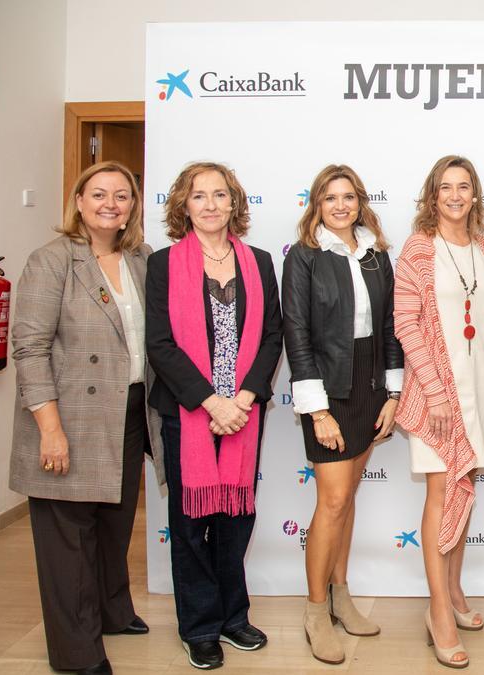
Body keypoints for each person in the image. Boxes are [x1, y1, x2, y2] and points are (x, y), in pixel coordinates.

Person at [10, 161, 158, 675]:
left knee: (114, 527)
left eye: (122, 196)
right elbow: (28, 348)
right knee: (68, 540)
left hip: (129, 410)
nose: (110, 204)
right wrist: (50, 428)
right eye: (99, 194)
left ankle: (113, 611)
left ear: (133, 206)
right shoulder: (52, 261)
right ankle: (76, 654)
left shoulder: (141, 257)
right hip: (70, 417)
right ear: (78, 201)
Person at [146, 161, 283, 670]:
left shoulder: (260, 261)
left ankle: (233, 616)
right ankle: (199, 627)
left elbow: (272, 336)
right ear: (184, 205)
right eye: (198, 196)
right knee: (189, 522)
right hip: (189, 411)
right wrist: (210, 402)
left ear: (234, 203)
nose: (210, 204)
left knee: (237, 517)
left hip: (244, 412)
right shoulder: (163, 264)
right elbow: (159, 343)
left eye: (219, 195)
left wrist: (244, 399)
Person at [394, 155, 484, 669]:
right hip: (437, 398)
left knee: (465, 490)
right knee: (441, 493)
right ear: (433, 195)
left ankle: (454, 590)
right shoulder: (418, 249)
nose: (454, 195)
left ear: (475, 195)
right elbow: (406, 324)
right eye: (445, 187)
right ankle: (439, 611)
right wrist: (436, 392)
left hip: (482, 388)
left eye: (463, 186)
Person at [282, 164, 403, 664]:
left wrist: (393, 394)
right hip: (328, 393)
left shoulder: (376, 254)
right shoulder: (305, 257)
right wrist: (316, 410)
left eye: (348, 196)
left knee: (347, 499)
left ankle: (340, 594)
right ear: (316, 203)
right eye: (329, 197)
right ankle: (315, 611)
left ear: (360, 201)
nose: (339, 205)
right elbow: (297, 333)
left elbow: (393, 325)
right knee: (331, 503)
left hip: (370, 388)